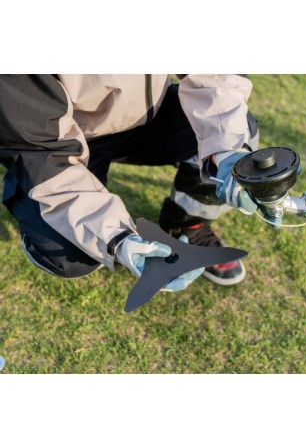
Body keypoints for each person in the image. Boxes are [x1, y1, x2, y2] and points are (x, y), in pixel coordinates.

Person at [0, 74, 260, 292]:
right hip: (60, 139)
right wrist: (117, 240)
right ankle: (28, 194)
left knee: (237, 130)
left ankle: (186, 224)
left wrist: (228, 151)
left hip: (145, 118)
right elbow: (41, 150)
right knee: (70, 254)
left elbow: (215, 75)